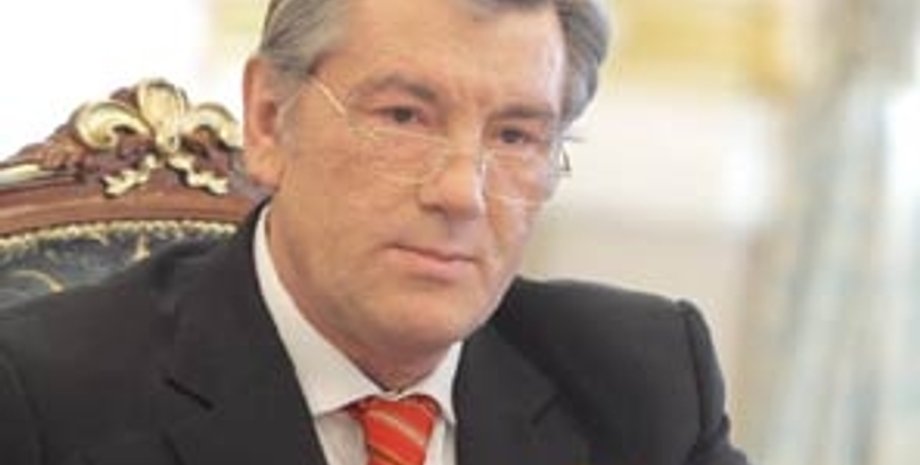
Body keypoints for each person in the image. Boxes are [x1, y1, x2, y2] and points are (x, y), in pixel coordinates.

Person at [0, 0, 749, 464]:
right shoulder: (43, 402)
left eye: (516, 135)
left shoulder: (643, 381)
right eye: (404, 117)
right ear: (269, 120)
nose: (461, 192)